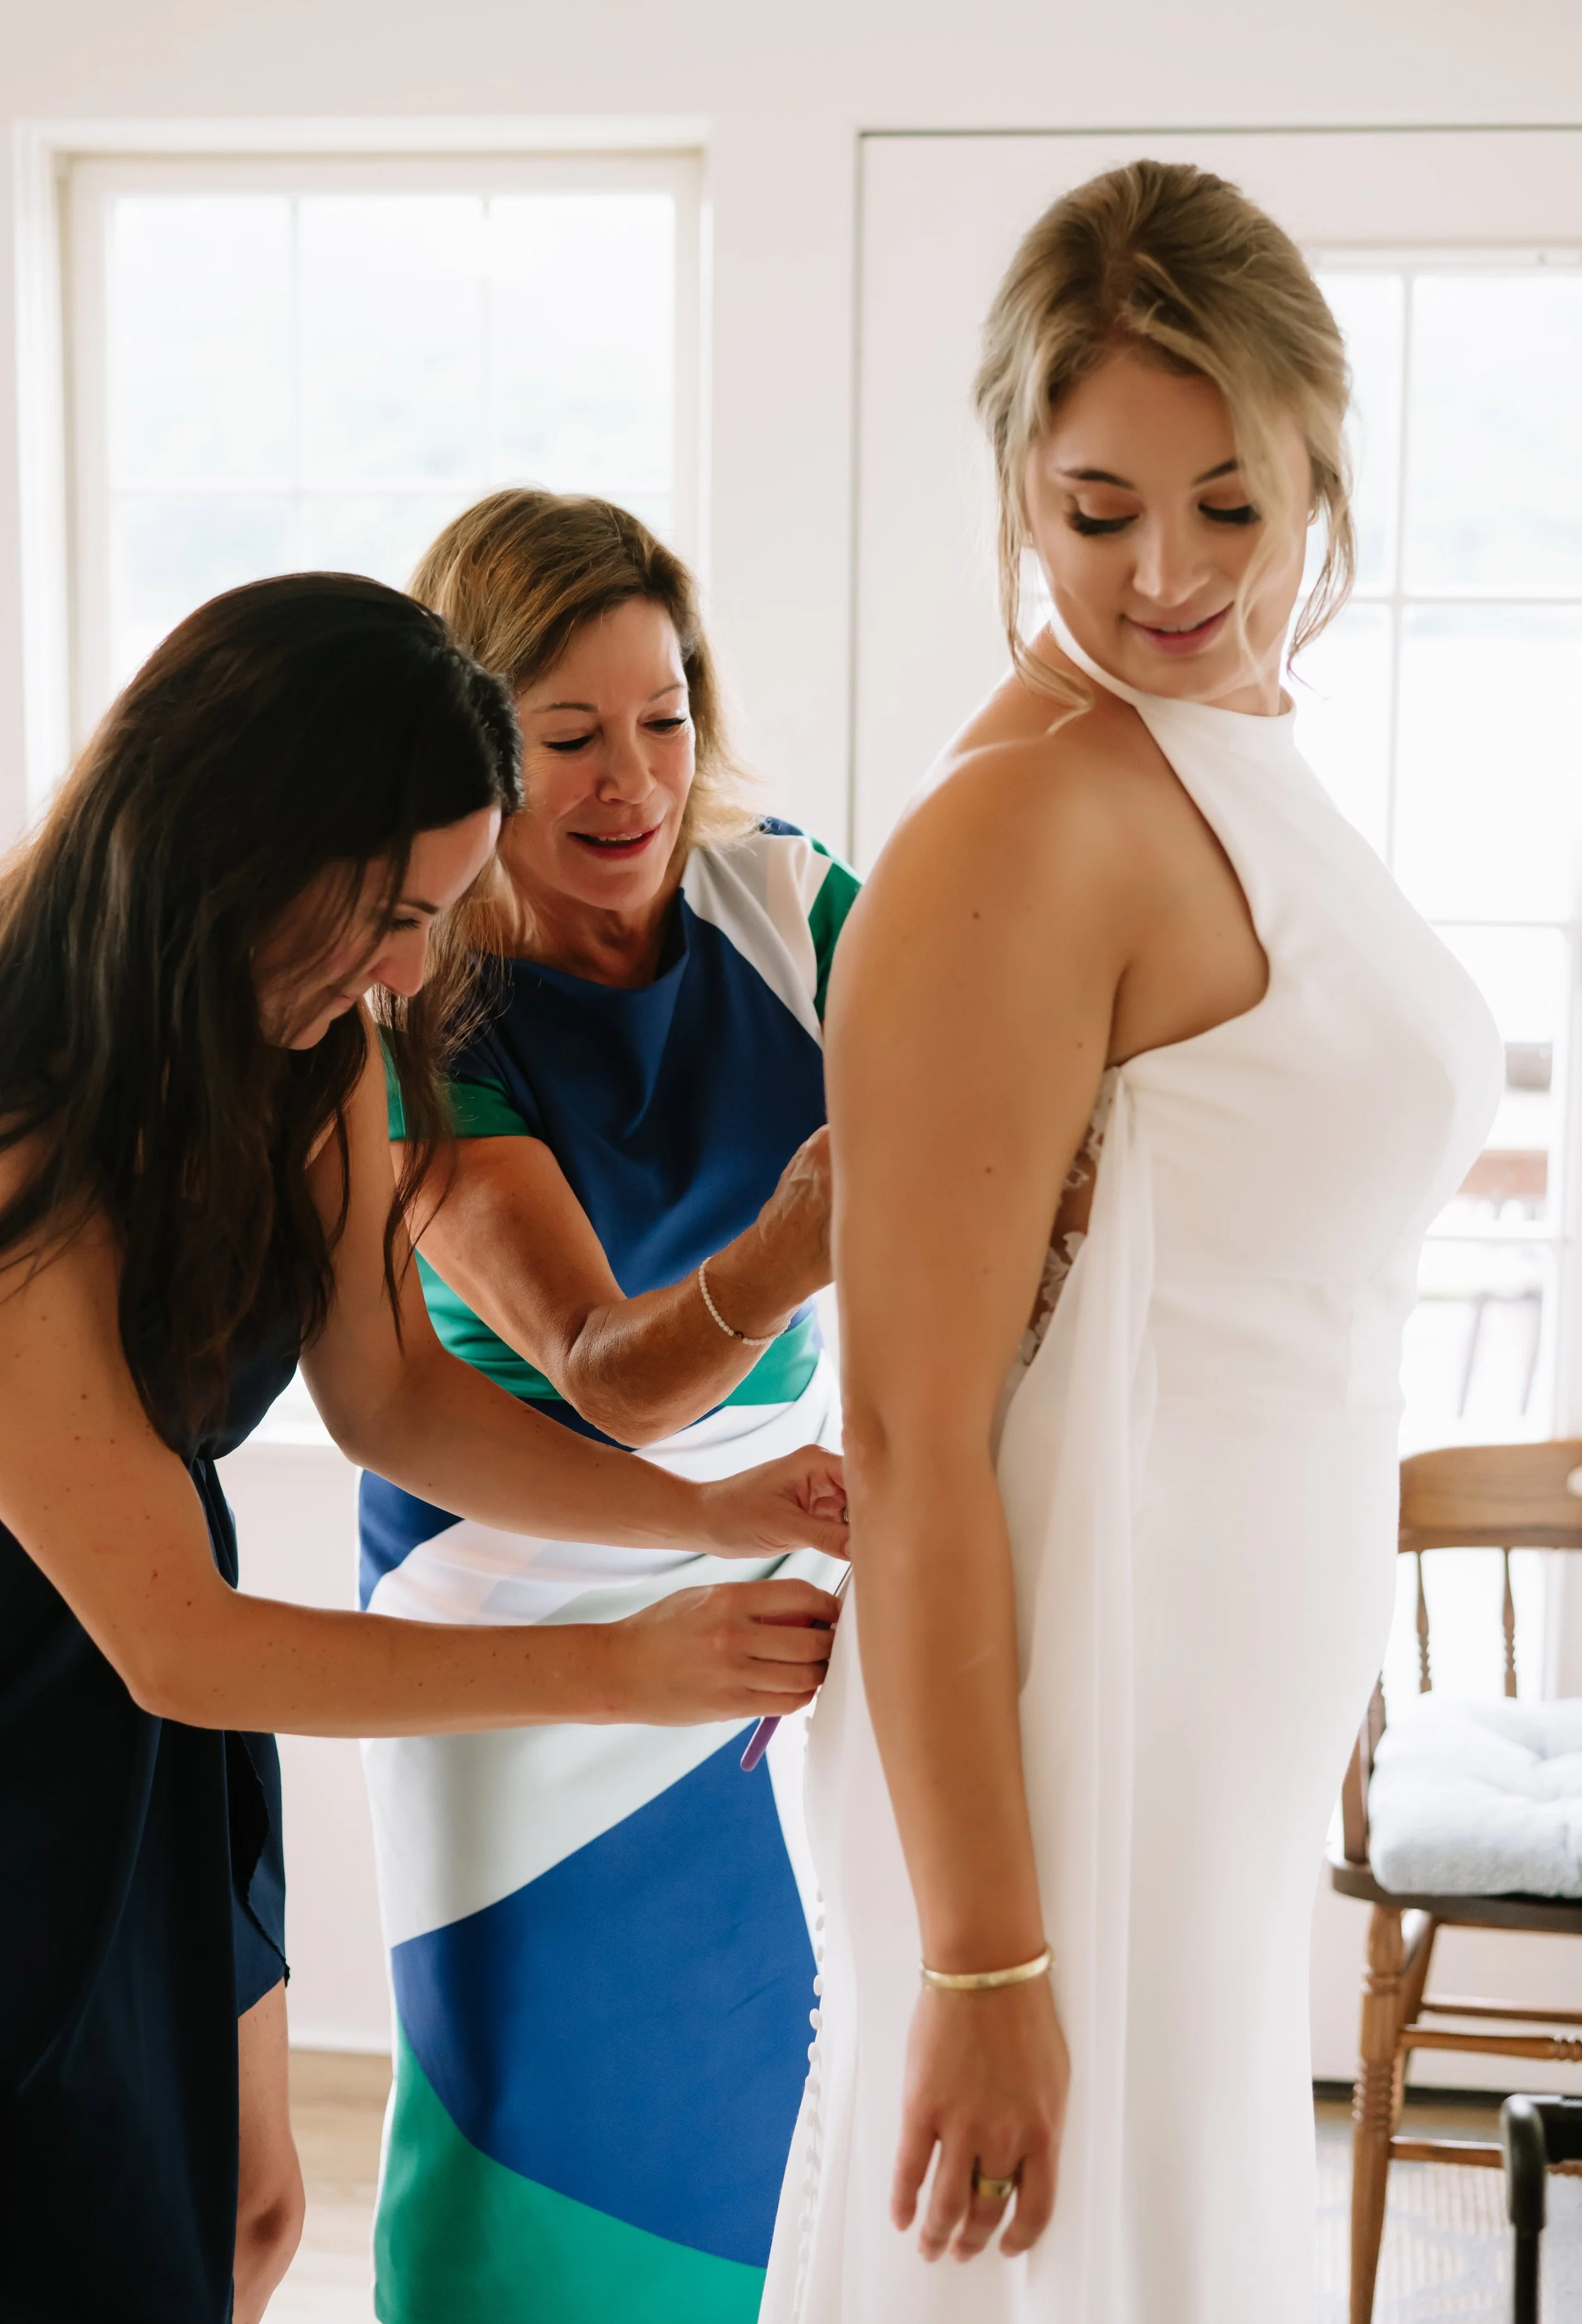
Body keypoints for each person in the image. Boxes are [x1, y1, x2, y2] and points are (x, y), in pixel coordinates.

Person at [761, 159, 1504, 2323]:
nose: (1166, 573)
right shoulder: (1023, 818)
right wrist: (985, 1953)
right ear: (1013, 480)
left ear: (1316, 472)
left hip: (1212, 1709)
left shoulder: (1229, 743)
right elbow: (905, 1427)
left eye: (1229, 505)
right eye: (1096, 513)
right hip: (1073, 1723)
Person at [0, 573, 845, 2324]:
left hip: (168, 1730)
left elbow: (392, 1395)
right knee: (86, 2242)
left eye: (442, 913)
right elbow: (174, 1640)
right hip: (61, 1702)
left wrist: (694, 1509)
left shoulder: (311, 1055)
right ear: (242, 842)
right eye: (393, 910)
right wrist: (616, 1665)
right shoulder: (23, 1123)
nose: (411, 971)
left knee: (246, 2220)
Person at [355, 490, 861, 2324]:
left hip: (775, 1573)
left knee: (755, 2106)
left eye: (663, 714)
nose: (632, 778)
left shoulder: (790, 902)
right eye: (567, 737)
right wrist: (800, 1242)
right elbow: (603, 1373)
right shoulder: (414, 995)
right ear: (479, 747)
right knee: (526, 2125)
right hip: (514, 1598)